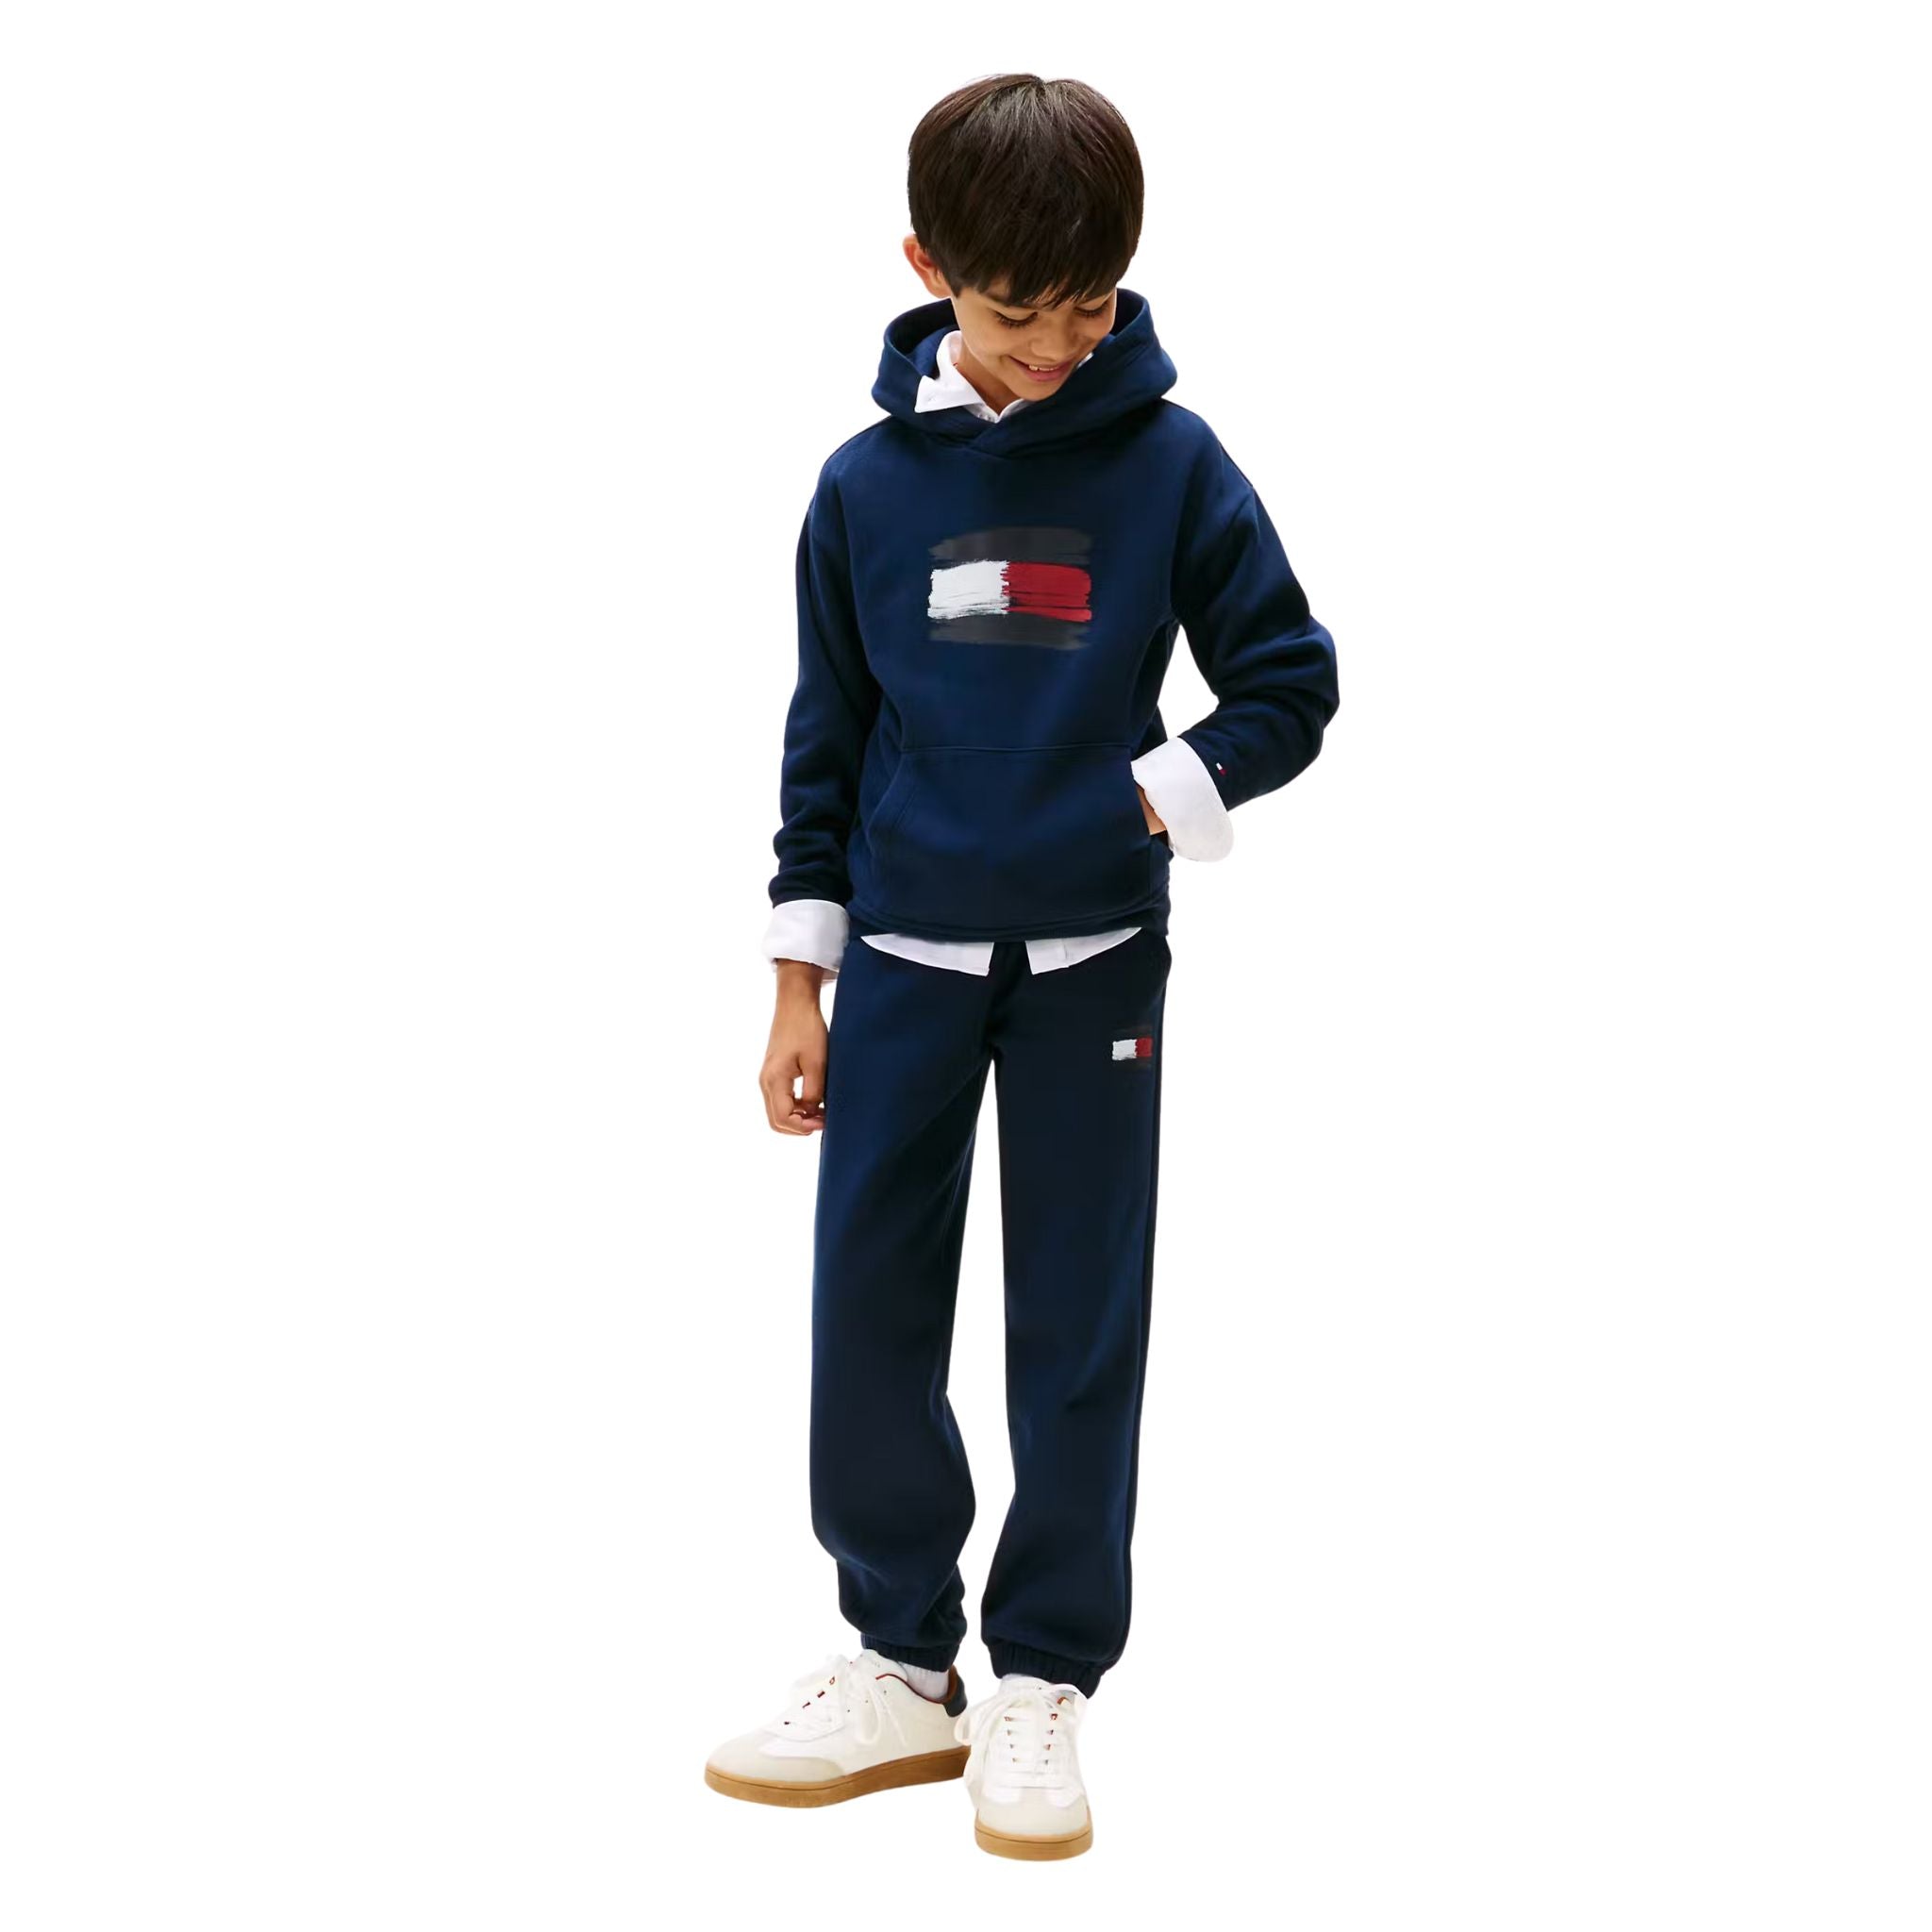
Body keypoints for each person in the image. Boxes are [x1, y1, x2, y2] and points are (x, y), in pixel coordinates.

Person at [707, 74, 1339, 1861]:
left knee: (1077, 1318)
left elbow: (1290, 677)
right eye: (1015, 310)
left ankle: (1042, 1677)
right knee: (869, 1311)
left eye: (1090, 305)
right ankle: (903, 1669)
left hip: (1092, 971)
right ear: (928, 270)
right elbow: (827, 740)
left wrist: (1155, 791)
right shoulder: (862, 489)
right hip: (899, 964)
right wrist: (798, 978)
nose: (1059, 344)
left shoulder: (1172, 463)